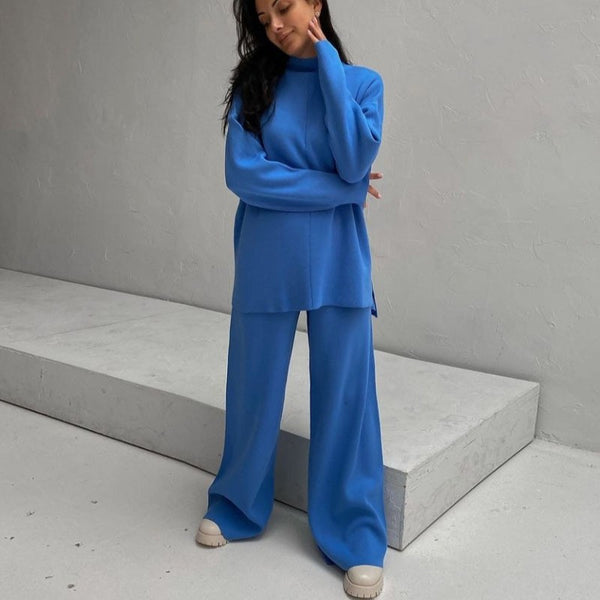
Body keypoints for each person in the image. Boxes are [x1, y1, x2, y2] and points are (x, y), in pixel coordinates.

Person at [196, 1, 387, 597]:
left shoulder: (362, 84)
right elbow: (246, 175)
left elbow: (356, 157)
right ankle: (236, 504)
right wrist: (343, 192)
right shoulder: (253, 86)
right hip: (266, 258)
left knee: (347, 396)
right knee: (252, 384)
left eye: (284, 7)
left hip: (338, 260)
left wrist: (327, 61)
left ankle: (354, 532)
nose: (275, 25)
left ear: (316, 4)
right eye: (263, 16)